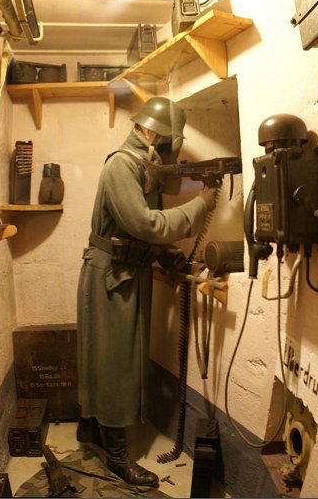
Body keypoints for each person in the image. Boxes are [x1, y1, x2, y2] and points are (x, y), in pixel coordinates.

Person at [76, 96, 217, 488]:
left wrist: (164, 254)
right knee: (115, 363)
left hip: (124, 272)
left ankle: (92, 429)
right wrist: (200, 205)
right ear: (156, 134)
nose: (174, 151)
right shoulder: (122, 165)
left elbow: (137, 233)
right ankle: (117, 456)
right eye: (172, 141)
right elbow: (146, 224)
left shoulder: (141, 166)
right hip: (113, 275)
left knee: (108, 358)